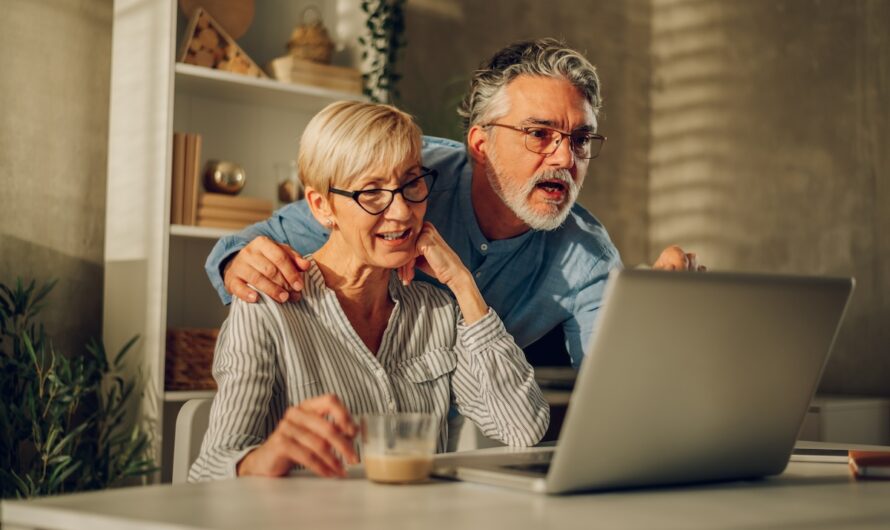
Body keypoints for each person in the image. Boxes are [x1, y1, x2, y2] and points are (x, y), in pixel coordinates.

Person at [204, 38, 702, 369]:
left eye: (580, 139)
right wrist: (240, 263)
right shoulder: (405, 179)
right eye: (539, 134)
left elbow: (616, 389)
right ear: (480, 144)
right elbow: (245, 245)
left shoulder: (589, 258)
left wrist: (657, 316)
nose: (564, 157)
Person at [188, 101, 549, 482]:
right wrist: (266, 457)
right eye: (371, 192)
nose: (401, 211)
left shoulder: (438, 310)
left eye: (411, 183)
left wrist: (463, 285)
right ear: (321, 206)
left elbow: (521, 429)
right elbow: (208, 473)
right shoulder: (267, 308)